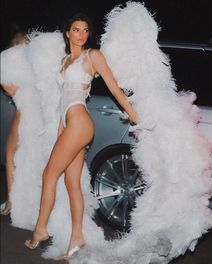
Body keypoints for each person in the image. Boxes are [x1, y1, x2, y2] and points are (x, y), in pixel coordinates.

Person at [24, 13, 138, 259]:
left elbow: (115, 89)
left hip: (80, 121)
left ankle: (40, 230)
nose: (82, 34)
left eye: (85, 30)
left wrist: (135, 116)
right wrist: (59, 130)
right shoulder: (64, 60)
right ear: (68, 33)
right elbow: (61, 100)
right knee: (71, 182)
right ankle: (77, 238)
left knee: (49, 174)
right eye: (76, 30)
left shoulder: (92, 56)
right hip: (68, 123)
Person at [0, 31, 28, 216]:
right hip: (41, 113)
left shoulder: (10, 61)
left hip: (25, 111)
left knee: (11, 155)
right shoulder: (37, 62)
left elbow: (9, 90)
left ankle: (13, 202)